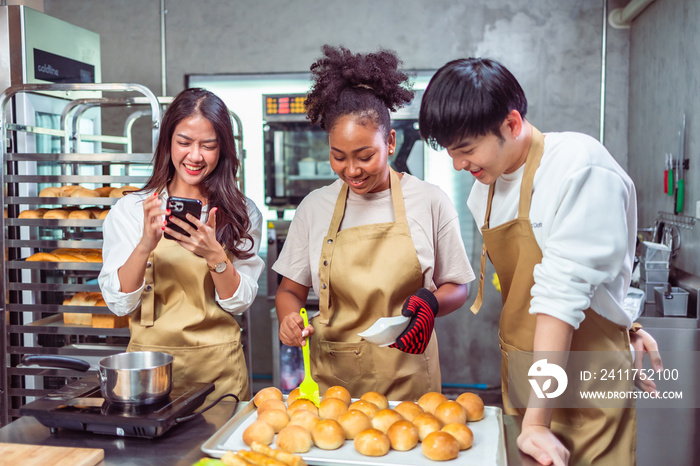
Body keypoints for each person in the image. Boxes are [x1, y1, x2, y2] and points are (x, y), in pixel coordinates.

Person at [419, 57, 662, 465]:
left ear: (512, 124)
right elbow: (526, 286)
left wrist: (537, 423)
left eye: (466, 149)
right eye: (451, 153)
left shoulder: (579, 169)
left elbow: (559, 296)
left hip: (585, 381)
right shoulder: (485, 191)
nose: (459, 165)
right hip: (526, 379)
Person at [272, 45, 475, 401]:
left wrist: (430, 304)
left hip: (409, 379)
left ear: (391, 142)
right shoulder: (315, 207)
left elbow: (458, 286)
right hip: (333, 383)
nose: (352, 170)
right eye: (339, 157)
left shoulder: (429, 200)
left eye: (365, 156)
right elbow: (290, 291)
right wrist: (289, 320)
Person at [98, 88, 264, 402]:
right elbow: (119, 303)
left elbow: (239, 303)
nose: (195, 156)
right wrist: (145, 244)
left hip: (220, 372)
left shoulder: (242, 212)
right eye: (184, 142)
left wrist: (215, 255)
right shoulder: (133, 210)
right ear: (168, 143)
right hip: (149, 372)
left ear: (223, 149)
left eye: (208, 145)